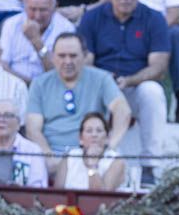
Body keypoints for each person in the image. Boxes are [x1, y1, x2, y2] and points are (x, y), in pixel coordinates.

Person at [77, 0, 169, 186]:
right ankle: (84, 159)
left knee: (153, 92)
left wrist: (129, 80)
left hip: (135, 85)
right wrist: (104, 80)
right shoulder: (92, 18)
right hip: (102, 85)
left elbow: (158, 67)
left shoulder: (154, 18)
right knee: (85, 86)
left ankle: (149, 166)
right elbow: (84, 62)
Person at [26, 33, 131, 171]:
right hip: (52, 152)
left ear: (85, 56)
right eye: (62, 56)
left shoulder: (101, 78)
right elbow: (33, 129)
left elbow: (122, 109)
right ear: (53, 57)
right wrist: (48, 156)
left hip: (91, 152)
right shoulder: (40, 83)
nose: (67, 61)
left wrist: (110, 145)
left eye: (73, 56)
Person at [136, 0, 179, 123]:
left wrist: (153, 31)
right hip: (131, 24)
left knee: (176, 35)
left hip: (164, 26)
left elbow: (174, 14)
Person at [0, 0, 74, 84]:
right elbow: (2, 66)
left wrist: (36, 41)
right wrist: (26, 85)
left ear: (55, 7)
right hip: (14, 85)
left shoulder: (66, 28)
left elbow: (60, 73)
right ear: (24, 6)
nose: (37, 16)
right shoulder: (11, 24)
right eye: (32, 9)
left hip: (50, 87)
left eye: (43, 10)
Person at [0, 97, 47, 187]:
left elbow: (39, 189)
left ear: (18, 124)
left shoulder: (33, 151)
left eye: (8, 115)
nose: (1, 120)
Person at [54, 110, 127, 190]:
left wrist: (92, 165)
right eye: (89, 131)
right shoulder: (69, 158)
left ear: (107, 138)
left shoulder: (116, 161)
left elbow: (101, 197)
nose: (94, 135)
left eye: (99, 131)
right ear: (80, 139)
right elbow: (57, 195)